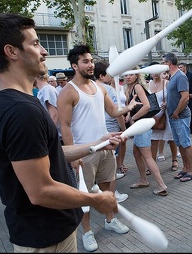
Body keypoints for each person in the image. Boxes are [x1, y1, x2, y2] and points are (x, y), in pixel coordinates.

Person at [0, 13, 122, 253]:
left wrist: (95, 144)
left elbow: (48, 152)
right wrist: (95, 199)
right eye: (35, 44)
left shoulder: (16, 102)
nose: (44, 51)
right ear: (11, 52)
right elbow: (41, 191)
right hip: (45, 238)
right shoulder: (21, 111)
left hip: (48, 233)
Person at [57, 44, 140, 252]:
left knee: (108, 188)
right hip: (84, 152)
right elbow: (64, 126)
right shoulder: (68, 91)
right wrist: (73, 155)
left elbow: (113, 112)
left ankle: (110, 220)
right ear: (75, 66)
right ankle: (86, 231)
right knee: (84, 195)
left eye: (91, 60)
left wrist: (127, 108)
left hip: (105, 147)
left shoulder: (100, 87)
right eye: (85, 61)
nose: (90, 64)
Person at [123, 68, 168, 196]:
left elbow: (147, 106)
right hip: (139, 126)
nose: (128, 77)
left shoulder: (137, 87)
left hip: (142, 125)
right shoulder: (130, 88)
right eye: (126, 74)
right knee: (137, 153)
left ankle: (161, 185)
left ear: (137, 75)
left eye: (131, 74)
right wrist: (128, 115)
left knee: (147, 157)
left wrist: (133, 118)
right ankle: (143, 180)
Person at [94, 61, 129, 204]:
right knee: (111, 166)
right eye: (109, 73)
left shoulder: (91, 87)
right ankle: (113, 195)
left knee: (101, 164)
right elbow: (117, 112)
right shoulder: (108, 89)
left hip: (99, 130)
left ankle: (101, 190)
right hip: (111, 129)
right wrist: (124, 130)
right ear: (102, 76)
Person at [163, 53, 192, 182]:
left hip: (181, 116)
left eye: (163, 63)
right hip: (174, 116)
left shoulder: (180, 76)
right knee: (180, 144)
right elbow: (175, 96)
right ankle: (185, 168)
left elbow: (185, 97)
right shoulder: (172, 77)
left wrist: (177, 112)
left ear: (168, 63)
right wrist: (167, 105)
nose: (162, 66)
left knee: (186, 143)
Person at [148, 63, 179, 172]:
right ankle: (152, 164)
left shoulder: (166, 83)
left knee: (171, 139)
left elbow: (175, 98)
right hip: (153, 116)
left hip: (166, 115)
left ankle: (174, 159)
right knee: (153, 141)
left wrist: (167, 104)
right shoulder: (147, 85)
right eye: (152, 71)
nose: (155, 73)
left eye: (157, 71)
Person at [178, 62, 192, 136]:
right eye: (179, 67)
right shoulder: (179, 76)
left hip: (191, 98)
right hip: (183, 98)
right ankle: (189, 129)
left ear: (185, 67)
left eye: (181, 67)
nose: (180, 69)